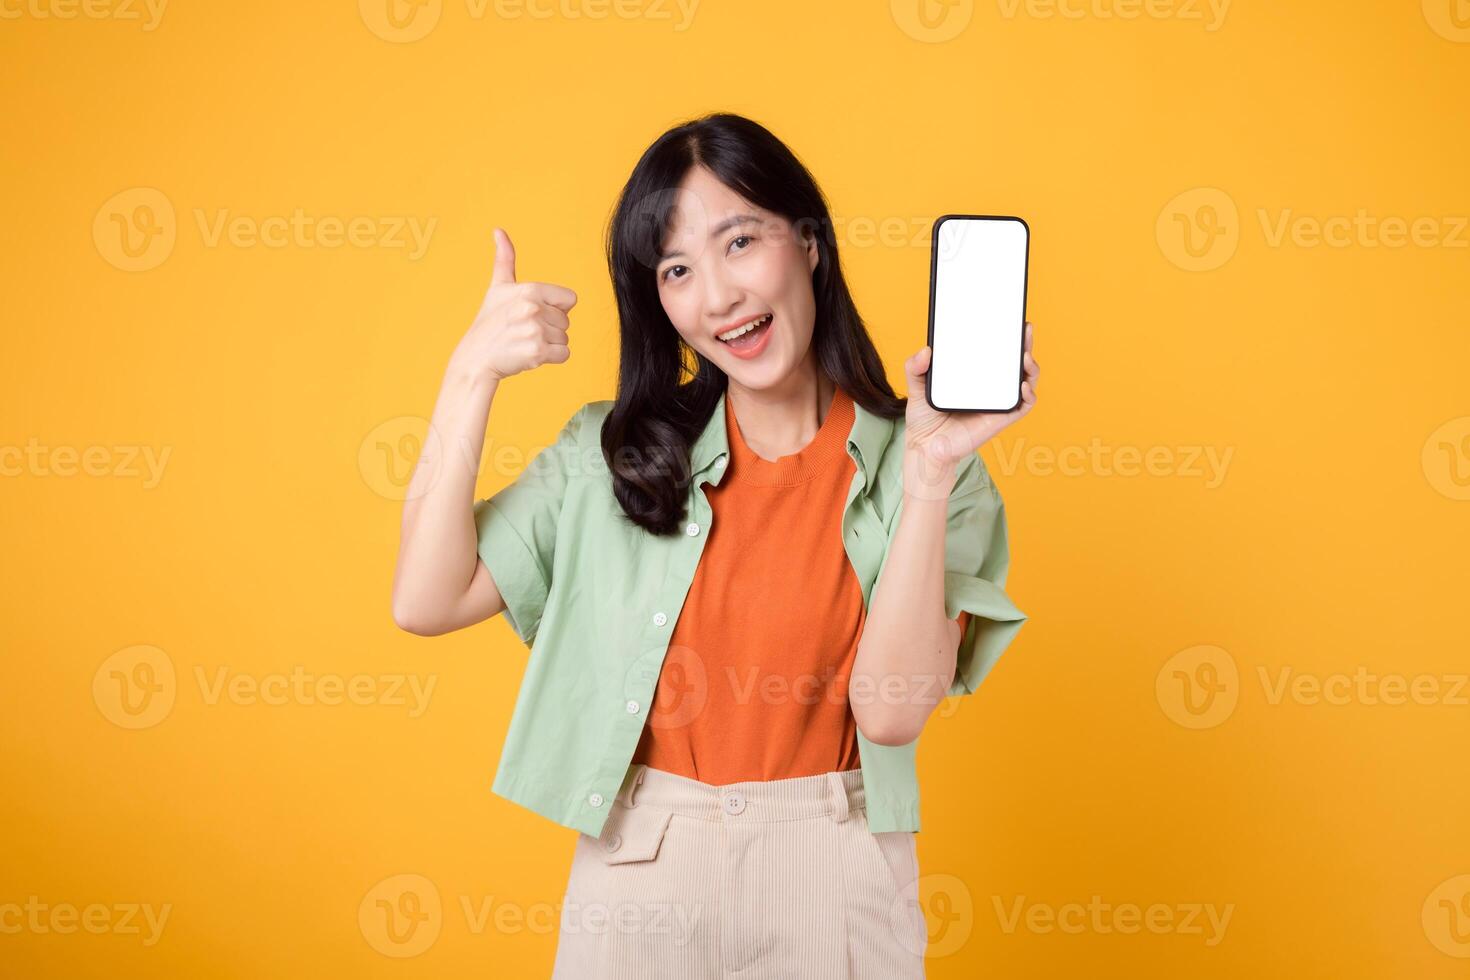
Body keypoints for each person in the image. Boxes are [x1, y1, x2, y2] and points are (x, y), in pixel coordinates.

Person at [391, 111, 1038, 978]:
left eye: (740, 242)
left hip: (835, 871)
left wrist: (927, 474)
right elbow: (425, 600)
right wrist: (469, 376)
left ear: (808, 241)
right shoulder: (609, 455)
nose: (718, 297)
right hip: (642, 869)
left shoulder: (936, 473)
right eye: (678, 269)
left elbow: (891, 712)